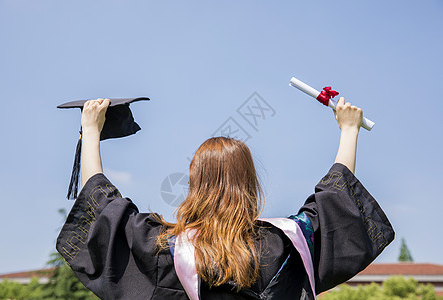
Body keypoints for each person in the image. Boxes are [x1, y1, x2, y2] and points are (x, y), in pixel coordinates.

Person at [56, 98, 394, 300]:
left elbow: (103, 207)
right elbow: (335, 202)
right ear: (250, 183)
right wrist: (349, 131)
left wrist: (92, 131)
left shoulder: (164, 248)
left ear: (194, 183)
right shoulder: (286, 245)